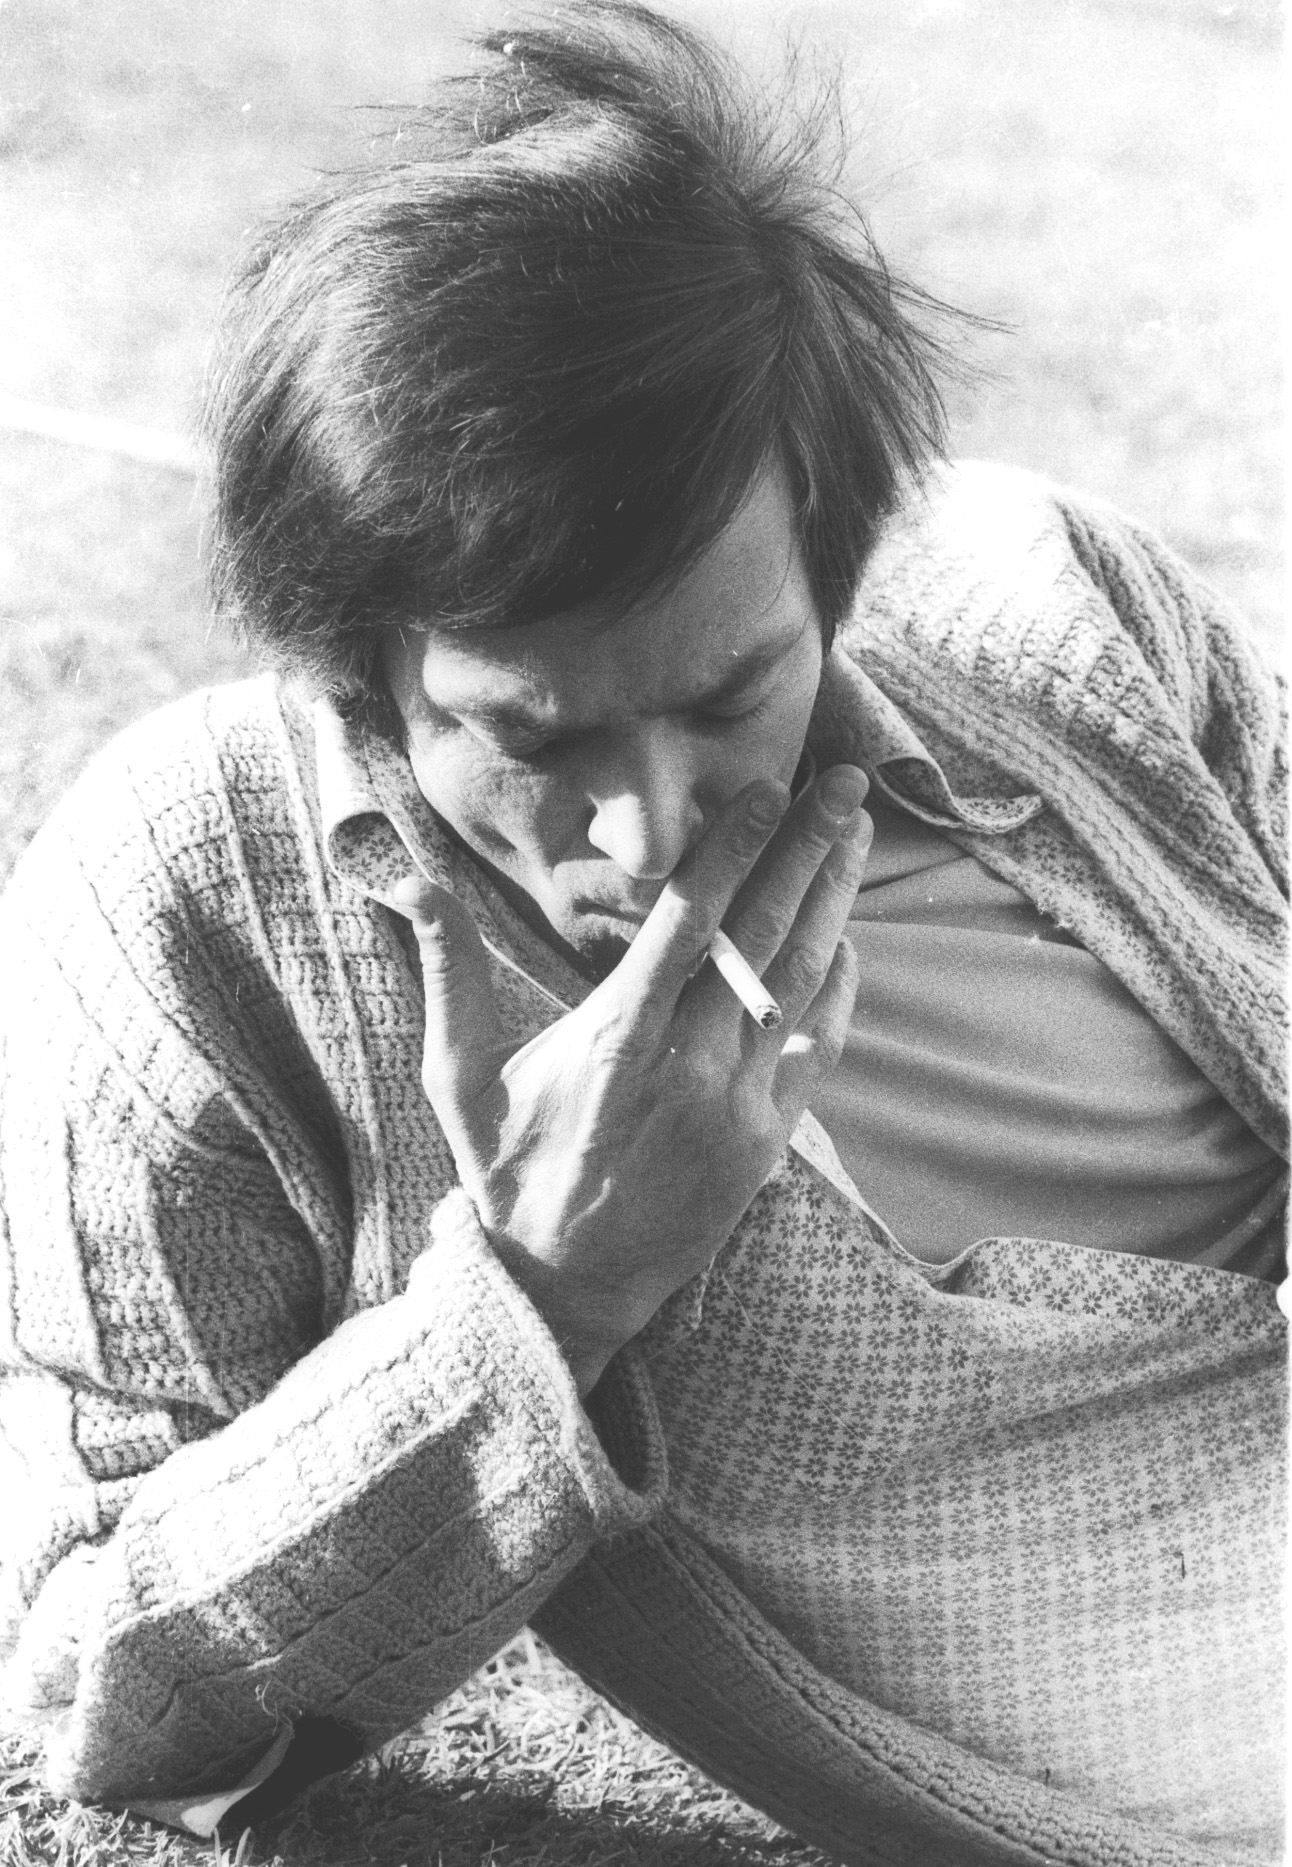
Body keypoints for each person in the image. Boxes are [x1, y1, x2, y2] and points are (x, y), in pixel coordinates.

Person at [0, 4, 1284, 1862]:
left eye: (732, 693)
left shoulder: (1048, 608)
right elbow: (97, 1701)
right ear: (360, 671)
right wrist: (543, 1294)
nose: (651, 831)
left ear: (842, 565)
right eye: (531, 739)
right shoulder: (206, 901)